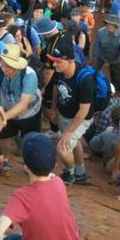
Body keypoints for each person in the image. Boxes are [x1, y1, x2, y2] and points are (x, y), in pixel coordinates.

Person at [0, 45, 41, 170]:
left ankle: (33, 167)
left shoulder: (29, 75)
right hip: (7, 106)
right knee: (4, 137)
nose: (4, 68)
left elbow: (23, 105)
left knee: (30, 140)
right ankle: (4, 161)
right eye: (3, 63)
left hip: (29, 112)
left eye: (8, 66)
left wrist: (3, 118)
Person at [48, 34, 95, 185]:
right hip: (64, 114)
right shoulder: (59, 71)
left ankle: (70, 171)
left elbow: (83, 111)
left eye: (59, 62)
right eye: (54, 62)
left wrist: (69, 132)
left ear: (71, 61)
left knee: (63, 148)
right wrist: (54, 109)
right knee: (73, 144)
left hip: (81, 118)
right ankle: (80, 173)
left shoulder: (85, 78)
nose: (55, 65)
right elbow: (56, 87)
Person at [92, 16, 120, 94]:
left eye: (112, 25)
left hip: (115, 59)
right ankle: (94, 87)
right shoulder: (100, 32)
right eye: (108, 24)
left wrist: (119, 63)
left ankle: (117, 91)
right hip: (102, 56)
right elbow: (96, 47)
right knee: (94, 72)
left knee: (116, 78)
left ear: (116, 26)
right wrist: (95, 60)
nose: (109, 26)